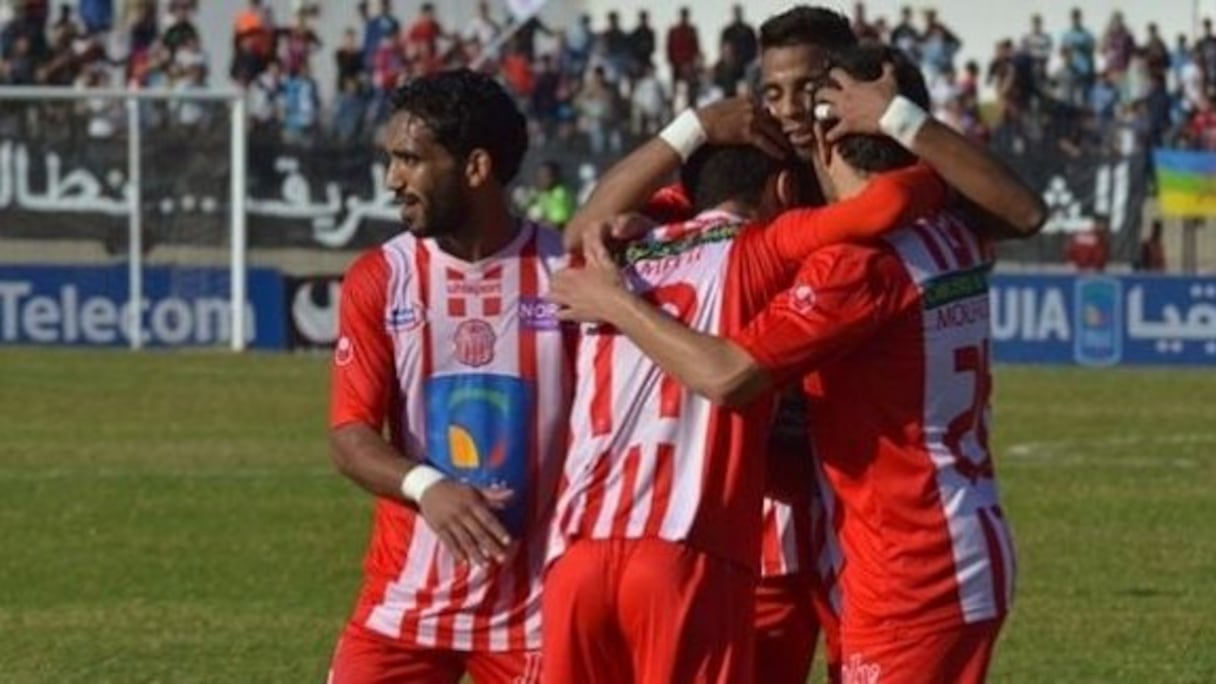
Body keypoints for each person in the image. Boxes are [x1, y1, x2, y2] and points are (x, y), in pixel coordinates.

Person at [565, 8, 1043, 683]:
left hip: (873, 524)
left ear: (846, 101)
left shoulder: (883, 216)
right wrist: (695, 128)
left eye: (808, 88)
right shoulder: (754, 176)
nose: (788, 108)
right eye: (772, 90)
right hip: (780, 510)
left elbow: (999, 211)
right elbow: (585, 231)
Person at [541, 137, 946, 684]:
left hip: (575, 555)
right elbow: (887, 204)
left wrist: (690, 129)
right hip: (683, 551)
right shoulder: (761, 248)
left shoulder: (603, 256)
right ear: (783, 188)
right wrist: (932, 160)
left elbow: (587, 222)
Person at [326, 69, 570, 684]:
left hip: (534, 611)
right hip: (404, 608)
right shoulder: (380, 278)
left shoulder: (568, 271)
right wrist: (425, 485)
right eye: (391, 159)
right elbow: (350, 436)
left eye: (410, 159)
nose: (392, 180)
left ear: (476, 168)